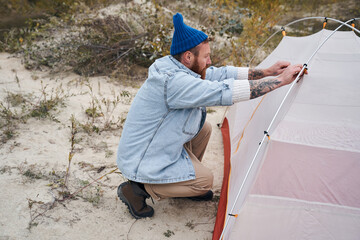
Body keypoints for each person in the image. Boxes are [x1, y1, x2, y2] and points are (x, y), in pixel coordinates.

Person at [116, 13, 305, 219]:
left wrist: (267, 71)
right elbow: (223, 91)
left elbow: (219, 74)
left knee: (202, 128)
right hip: (140, 160)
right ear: (188, 57)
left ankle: (179, 184)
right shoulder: (174, 82)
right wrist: (280, 81)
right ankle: (138, 188)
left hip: (150, 146)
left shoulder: (176, 65)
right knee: (204, 181)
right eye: (206, 57)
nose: (210, 61)